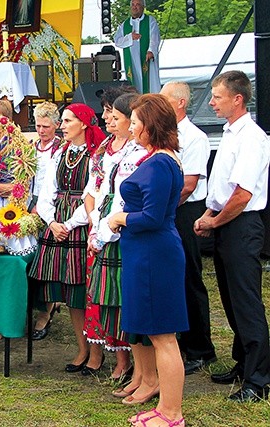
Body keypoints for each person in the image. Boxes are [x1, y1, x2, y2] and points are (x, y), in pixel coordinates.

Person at [108, 94, 186, 426]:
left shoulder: (159, 164)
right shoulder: (159, 159)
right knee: (157, 335)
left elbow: (153, 217)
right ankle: (165, 408)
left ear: (150, 125)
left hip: (154, 253)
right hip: (148, 252)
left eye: (137, 122)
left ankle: (171, 414)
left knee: (163, 337)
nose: (133, 127)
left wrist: (121, 218)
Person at [194, 70, 270, 403]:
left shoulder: (251, 137)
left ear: (237, 99)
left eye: (217, 97)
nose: (211, 102)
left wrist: (215, 221)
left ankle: (259, 378)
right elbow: (223, 189)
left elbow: (242, 194)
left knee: (247, 301)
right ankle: (243, 362)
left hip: (242, 224)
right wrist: (210, 214)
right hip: (225, 221)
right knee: (229, 297)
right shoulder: (230, 133)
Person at [26, 104, 105, 366]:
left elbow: (95, 196)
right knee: (71, 293)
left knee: (87, 291)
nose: (63, 125)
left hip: (82, 225)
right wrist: (51, 221)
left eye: (68, 121)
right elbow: (47, 190)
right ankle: (83, 349)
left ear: (83, 123)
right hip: (59, 225)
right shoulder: (61, 153)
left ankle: (100, 351)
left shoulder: (96, 154)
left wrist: (69, 224)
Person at [84, 92, 145, 382]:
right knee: (108, 297)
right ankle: (121, 358)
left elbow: (124, 195)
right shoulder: (105, 148)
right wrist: (96, 222)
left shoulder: (138, 151)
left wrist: (106, 228)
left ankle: (138, 364)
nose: (107, 118)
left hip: (120, 226)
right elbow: (95, 188)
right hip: (104, 220)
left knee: (123, 296)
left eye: (114, 115)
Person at [160, 81, 217, 376]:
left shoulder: (194, 136)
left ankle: (200, 347)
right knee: (171, 278)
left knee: (190, 277)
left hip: (184, 210)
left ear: (180, 103)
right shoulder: (165, 133)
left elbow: (188, 184)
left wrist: (160, 205)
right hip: (168, 209)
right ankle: (179, 339)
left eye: (164, 99)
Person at [28, 102, 62, 341]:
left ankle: (46, 311)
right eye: (38, 125)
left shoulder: (61, 148)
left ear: (56, 126)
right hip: (30, 205)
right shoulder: (30, 148)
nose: (41, 130)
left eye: (46, 126)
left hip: (52, 206)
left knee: (46, 263)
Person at [113, 0, 161, 94]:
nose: (135, 7)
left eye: (138, 5)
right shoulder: (125, 25)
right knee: (133, 83)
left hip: (146, 59)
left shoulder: (150, 21)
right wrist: (130, 37)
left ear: (143, 7)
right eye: (133, 5)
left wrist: (151, 50)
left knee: (150, 84)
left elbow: (154, 37)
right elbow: (117, 41)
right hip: (132, 61)